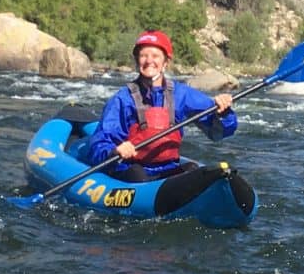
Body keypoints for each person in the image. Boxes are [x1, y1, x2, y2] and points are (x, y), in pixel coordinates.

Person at [86, 29, 236, 180]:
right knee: (137, 174)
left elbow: (218, 133)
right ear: (137, 61)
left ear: (165, 62)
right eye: (143, 55)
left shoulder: (181, 94)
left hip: (168, 170)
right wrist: (115, 151)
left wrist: (223, 113)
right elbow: (99, 144)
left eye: (155, 56)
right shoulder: (123, 99)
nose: (149, 61)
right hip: (131, 170)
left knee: (191, 168)